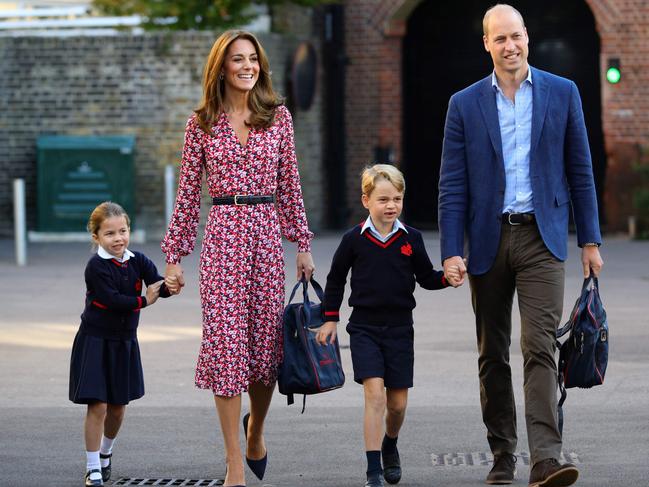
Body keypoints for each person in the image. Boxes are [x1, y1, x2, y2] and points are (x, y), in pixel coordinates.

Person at [438, 4, 604, 487]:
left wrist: (589, 239)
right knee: (492, 352)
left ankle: (546, 458)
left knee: (539, 347)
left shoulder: (562, 92)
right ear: (486, 44)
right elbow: (452, 185)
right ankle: (503, 453)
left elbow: (581, 170)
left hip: (542, 237)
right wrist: (452, 249)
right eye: (500, 39)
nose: (510, 46)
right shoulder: (464, 104)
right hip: (488, 240)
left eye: (516, 36)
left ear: (527, 37)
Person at [161, 30, 315, 487]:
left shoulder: (278, 117)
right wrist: (174, 257)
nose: (247, 66)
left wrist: (301, 243)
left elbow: (290, 184)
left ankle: (256, 432)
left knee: (265, 354)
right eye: (237, 60)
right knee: (228, 350)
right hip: (223, 236)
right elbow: (188, 197)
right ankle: (233, 465)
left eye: (253, 59)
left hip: (266, 237)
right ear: (221, 68)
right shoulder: (201, 124)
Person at [317, 164, 460, 487]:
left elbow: (426, 278)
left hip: (399, 329)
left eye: (397, 198)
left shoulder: (412, 239)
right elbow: (336, 279)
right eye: (383, 199)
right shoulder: (354, 239)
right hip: (364, 328)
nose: (391, 205)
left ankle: (390, 444)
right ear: (366, 200)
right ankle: (373, 472)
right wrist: (330, 319)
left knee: (397, 405)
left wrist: (446, 279)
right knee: (375, 397)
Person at [69, 201, 170, 487]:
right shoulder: (96, 267)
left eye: (123, 231)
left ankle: (105, 454)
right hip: (95, 340)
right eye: (110, 233)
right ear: (96, 237)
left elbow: (157, 283)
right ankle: (92, 468)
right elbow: (112, 300)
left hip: (124, 342)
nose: (118, 238)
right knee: (97, 405)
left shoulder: (137, 260)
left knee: (117, 407)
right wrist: (144, 301)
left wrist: (170, 286)